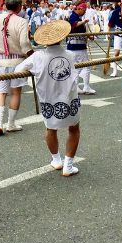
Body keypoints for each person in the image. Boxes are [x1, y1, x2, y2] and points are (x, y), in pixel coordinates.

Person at [15, 20, 81, 176]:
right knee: (74, 129)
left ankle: (56, 160)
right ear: (62, 37)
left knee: (50, 128)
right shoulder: (70, 55)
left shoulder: (37, 57)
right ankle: (68, 166)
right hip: (69, 98)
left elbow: (18, 70)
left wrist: (33, 72)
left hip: (48, 99)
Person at [0, 0, 33, 135]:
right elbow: (25, 44)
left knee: (1, 92)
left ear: (6, 5)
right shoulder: (22, 21)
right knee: (15, 92)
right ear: (19, 6)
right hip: (17, 61)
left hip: (1, 60)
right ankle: (10, 123)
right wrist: (33, 55)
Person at [67, 2, 95, 95]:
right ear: (79, 9)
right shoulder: (73, 17)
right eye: (84, 10)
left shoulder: (75, 17)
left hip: (75, 46)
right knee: (86, 66)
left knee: (76, 68)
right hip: (77, 47)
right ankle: (86, 87)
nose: (84, 12)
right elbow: (72, 25)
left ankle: (76, 87)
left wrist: (89, 36)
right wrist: (83, 22)